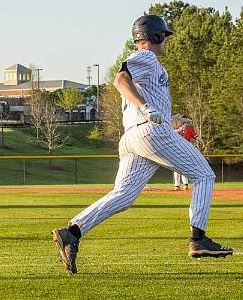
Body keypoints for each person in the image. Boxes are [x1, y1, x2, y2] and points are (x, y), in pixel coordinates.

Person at [51, 14, 232, 274]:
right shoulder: (147, 58)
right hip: (149, 133)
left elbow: (136, 94)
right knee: (204, 175)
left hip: (134, 137)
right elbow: (119, 80)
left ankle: (72, 232)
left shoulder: (150, 64)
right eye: (164, 36)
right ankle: (198, 238)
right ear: (155, 36)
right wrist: (146, 108)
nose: (166, 41)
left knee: (123, 195)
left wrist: (167, 119)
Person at [172, 117, 206, 191]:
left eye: (184, 122)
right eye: (182, 122)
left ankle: (185, 184)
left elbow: (196, 137)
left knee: (185, 167)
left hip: (185, 151)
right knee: (176, 168)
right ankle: (177, 185)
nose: (183, 124)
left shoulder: (189, 128)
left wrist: (203, 143)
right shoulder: (176, 128)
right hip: (177, 151)